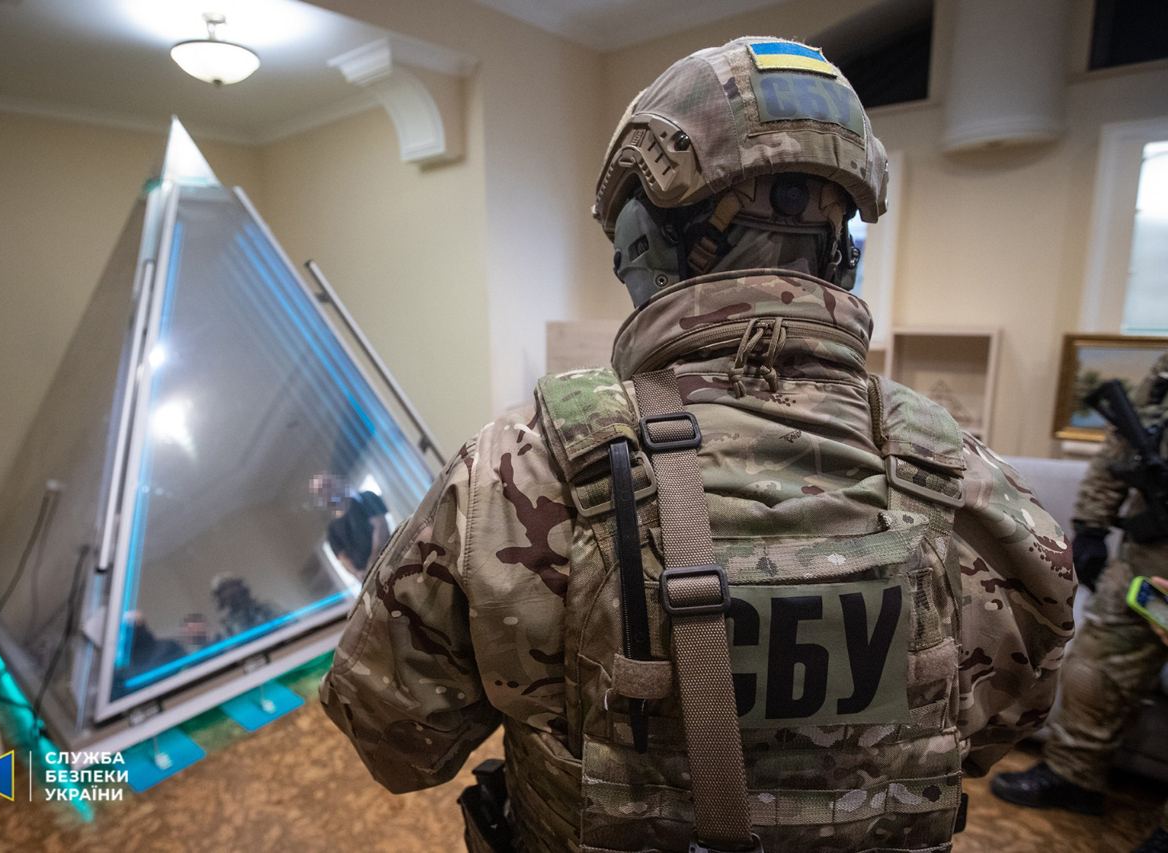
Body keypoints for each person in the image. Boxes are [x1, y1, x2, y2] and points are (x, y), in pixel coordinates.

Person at [321, 37, 1075, 852]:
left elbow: (394, 739)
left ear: (643, 236)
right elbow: (996, 729)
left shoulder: (518, 467)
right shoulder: (963, 476)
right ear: (843, 253)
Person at [991, 353, 1168, 853]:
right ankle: (1074, 777)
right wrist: (1091, 526)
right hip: (1147, 557)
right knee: (1094, 670)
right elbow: (1122, 447)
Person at [327, 490, 390, 577]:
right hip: (368, 575)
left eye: (328, 486)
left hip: (389, 558)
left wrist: (373, 560)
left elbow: (380, 526)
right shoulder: (332, 530)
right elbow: (342, 557)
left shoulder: (365, 498)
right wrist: (358, 573)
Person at [211, 572, 281, 636]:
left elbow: (283, 626)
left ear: (242, 587)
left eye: (233, 586)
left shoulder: (266, 608)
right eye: (224, 590)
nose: (231, 592)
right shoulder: (226, 626)